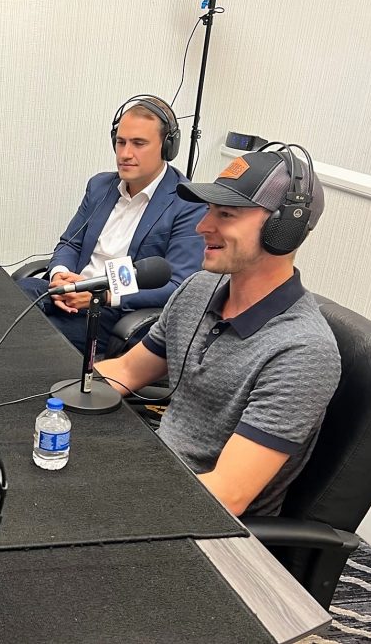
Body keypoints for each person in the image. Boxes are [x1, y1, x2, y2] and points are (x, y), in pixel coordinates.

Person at [96, 145, 341, 517]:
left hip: (206, 522)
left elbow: (227, 494)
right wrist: (48, 399)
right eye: (209, 210)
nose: (202, 226)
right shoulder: (199, 288)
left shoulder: (302, 351)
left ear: (283, 229)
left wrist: (110, 497)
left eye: (225, 214)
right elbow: (127, 371)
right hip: (156, 471)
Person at [18, 95, 205, 355]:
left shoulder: (188, 202)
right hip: (72, 291)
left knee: (29, 338)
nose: (125, 154)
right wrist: (60, 274)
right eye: (121, 142)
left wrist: (101, 295)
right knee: (8, 299)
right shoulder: (100, 186)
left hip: (114, 311)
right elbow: (70, 243)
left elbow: (177, 285)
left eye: (139, 143)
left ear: (167, 147)